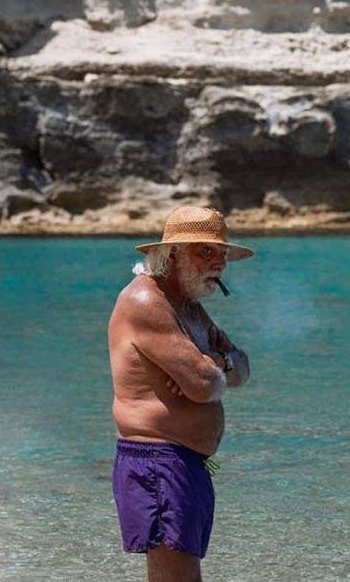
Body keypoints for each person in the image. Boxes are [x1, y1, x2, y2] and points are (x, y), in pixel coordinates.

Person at [108, 206, 253, 581]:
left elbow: (242, 368)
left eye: (222, 254)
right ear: (172, 254)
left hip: (183, 462)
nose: (219, 262)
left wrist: (214, 362)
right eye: (206, 251)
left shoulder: (189, 308)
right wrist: (214, 367)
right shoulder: (146, 302)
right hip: (157, 461)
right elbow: (204, 387)